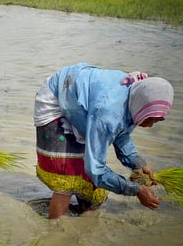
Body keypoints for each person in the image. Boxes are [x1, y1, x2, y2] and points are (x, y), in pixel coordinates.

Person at [34, 62, 174, 219]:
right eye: (150, 118)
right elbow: (96, 170)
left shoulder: (134, 100)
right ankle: (55, 229)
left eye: (157, 120)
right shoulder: (107, 112)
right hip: (57, 98)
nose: (150, 125)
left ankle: (82, 218)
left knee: (94, 189)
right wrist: (136, 190)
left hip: (81, 104)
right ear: (142, 106)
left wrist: (139, 164)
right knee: (67, 176)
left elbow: (121, 134)